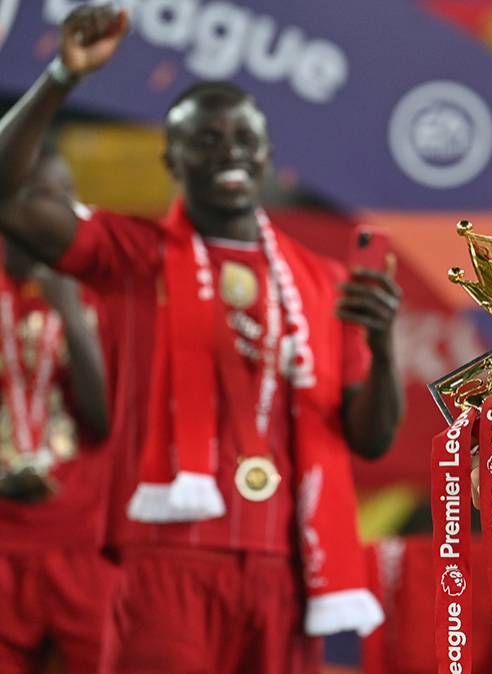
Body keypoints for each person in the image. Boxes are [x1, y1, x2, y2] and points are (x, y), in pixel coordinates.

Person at [0, 4, 404, 673]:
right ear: (172, 158)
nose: (229, 152)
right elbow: (9, 196)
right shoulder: (132, 255)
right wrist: (61, 77)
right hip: (165, 560)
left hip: (286, 569)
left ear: (267, 155)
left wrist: (384, 347)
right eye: (206, 139)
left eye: (244, 138)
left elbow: (370, 438)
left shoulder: (325, 283)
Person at [0, 150, 116, 674]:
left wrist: (68, 307)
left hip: (78, 535)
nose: (57, 208)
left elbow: (105, 417)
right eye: (40, 194)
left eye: (66, 194)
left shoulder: (99, 288)